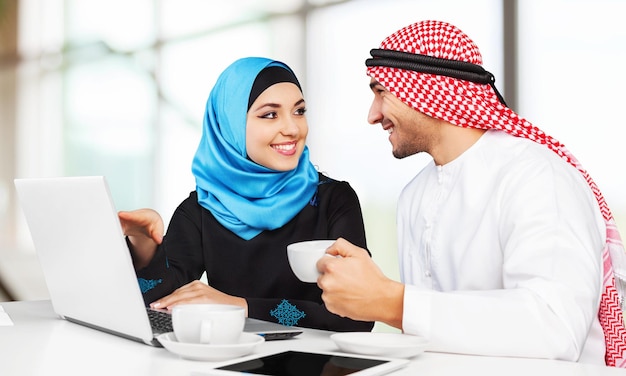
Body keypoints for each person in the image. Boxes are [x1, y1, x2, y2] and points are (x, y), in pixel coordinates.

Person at [316, 20, 626, 366]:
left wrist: (393, 301)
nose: (373, 115)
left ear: (428, 88)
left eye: (381, 92)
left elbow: (555, 327)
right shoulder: (413, 196)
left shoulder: (536, 176)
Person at [119, 57, 374, 332]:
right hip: (231, 362)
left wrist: (242, 306)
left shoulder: (334, 200)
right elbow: (156, 305)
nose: (292, 129)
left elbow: (357, 316)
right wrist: (144, 244)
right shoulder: (202, 209)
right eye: (270, 114)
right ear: (230, 125)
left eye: (299, 111)